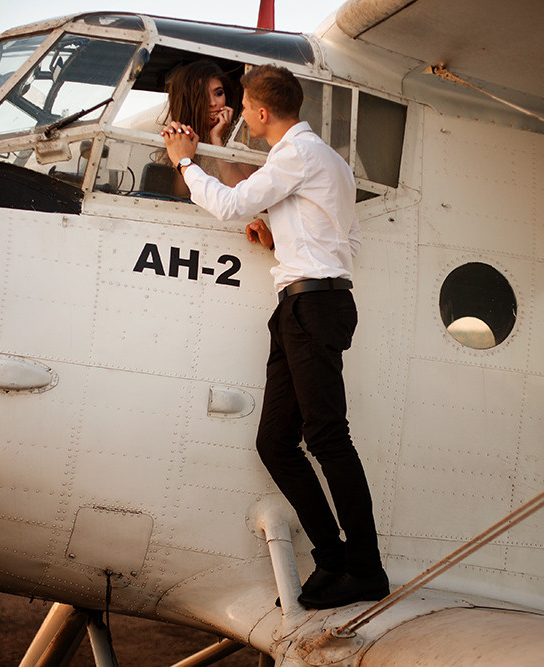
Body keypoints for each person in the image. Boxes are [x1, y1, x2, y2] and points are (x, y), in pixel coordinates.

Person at [162, 65, 389, 609]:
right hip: (306, 302)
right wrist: (283, 240)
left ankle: (366, 569)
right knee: (274, 442)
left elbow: (232, 203)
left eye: (244, 105)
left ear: (262, 113)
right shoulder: (329, 163)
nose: (240, 113)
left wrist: (185, 161)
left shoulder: (296, 155)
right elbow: (345, 241)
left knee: (329, 438)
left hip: (313, 305)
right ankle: (332, 559)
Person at [163, 61, 255, 189]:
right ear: (187, 101)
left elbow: (241, 194)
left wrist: (217, 139)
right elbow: (180, 195)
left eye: (218, 93)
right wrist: (184, 154)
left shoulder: (243, 136)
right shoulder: (178, 137)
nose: (212, 103)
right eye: (202, 95)